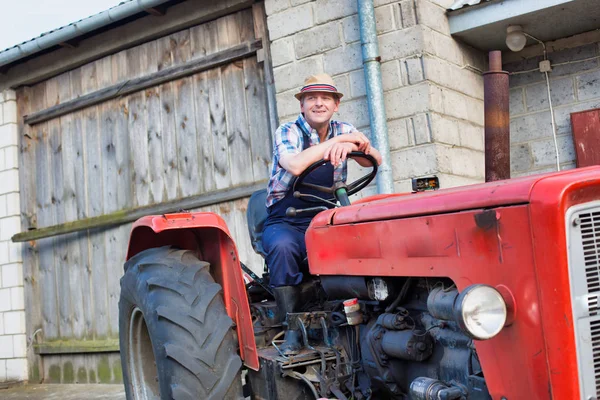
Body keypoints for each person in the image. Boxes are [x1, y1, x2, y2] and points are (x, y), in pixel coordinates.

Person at [262, 73, 382, 353]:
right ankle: (291, 327)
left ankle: (360, 319)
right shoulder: (288, 131)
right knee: (282, 248)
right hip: (286, 217)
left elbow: (374, 159)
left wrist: (351, 141)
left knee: (360, 244)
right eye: (311, 98)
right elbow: (294, 164)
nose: (318, 103)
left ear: (336, 104)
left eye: (325, 98)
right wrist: (340, 143)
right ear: (302, 105)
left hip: (324, 215)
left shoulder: (344, 128)